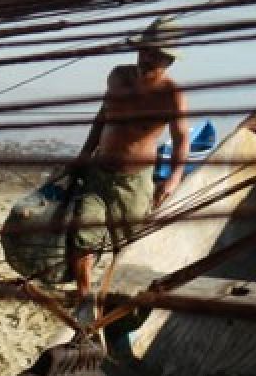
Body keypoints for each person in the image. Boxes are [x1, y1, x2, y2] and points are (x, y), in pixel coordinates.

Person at [65, 16, 189, 309]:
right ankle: (85, 298)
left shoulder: (172, 94)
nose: (148, 58)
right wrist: (84, 155)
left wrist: (173, 179)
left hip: (134, 182)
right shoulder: (117, 76)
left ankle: (120, 305)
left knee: (129, 248)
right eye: (145, 50)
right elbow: (102, 117)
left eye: (156, 55)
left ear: (168, 61)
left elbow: (181, 137)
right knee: (84, 234)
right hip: (99, 171)